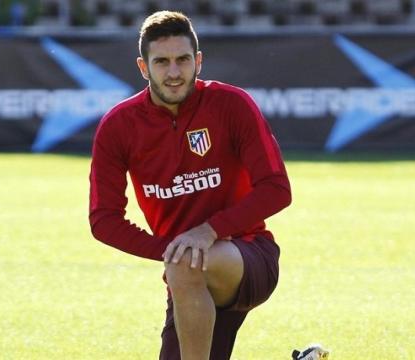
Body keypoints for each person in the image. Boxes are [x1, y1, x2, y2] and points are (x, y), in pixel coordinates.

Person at [88, 10, 292, 360]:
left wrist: (209, 231)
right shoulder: (118, 126)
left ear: (198, 61)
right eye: (162, 61)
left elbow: (276, 188)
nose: (173, 72)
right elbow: (103, 219)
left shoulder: (231, 104)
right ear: (143, 67)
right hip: (185, 280)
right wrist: (171, 250)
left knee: (186, 265)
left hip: (248, 256)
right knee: (186, 268)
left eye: (183, 60)